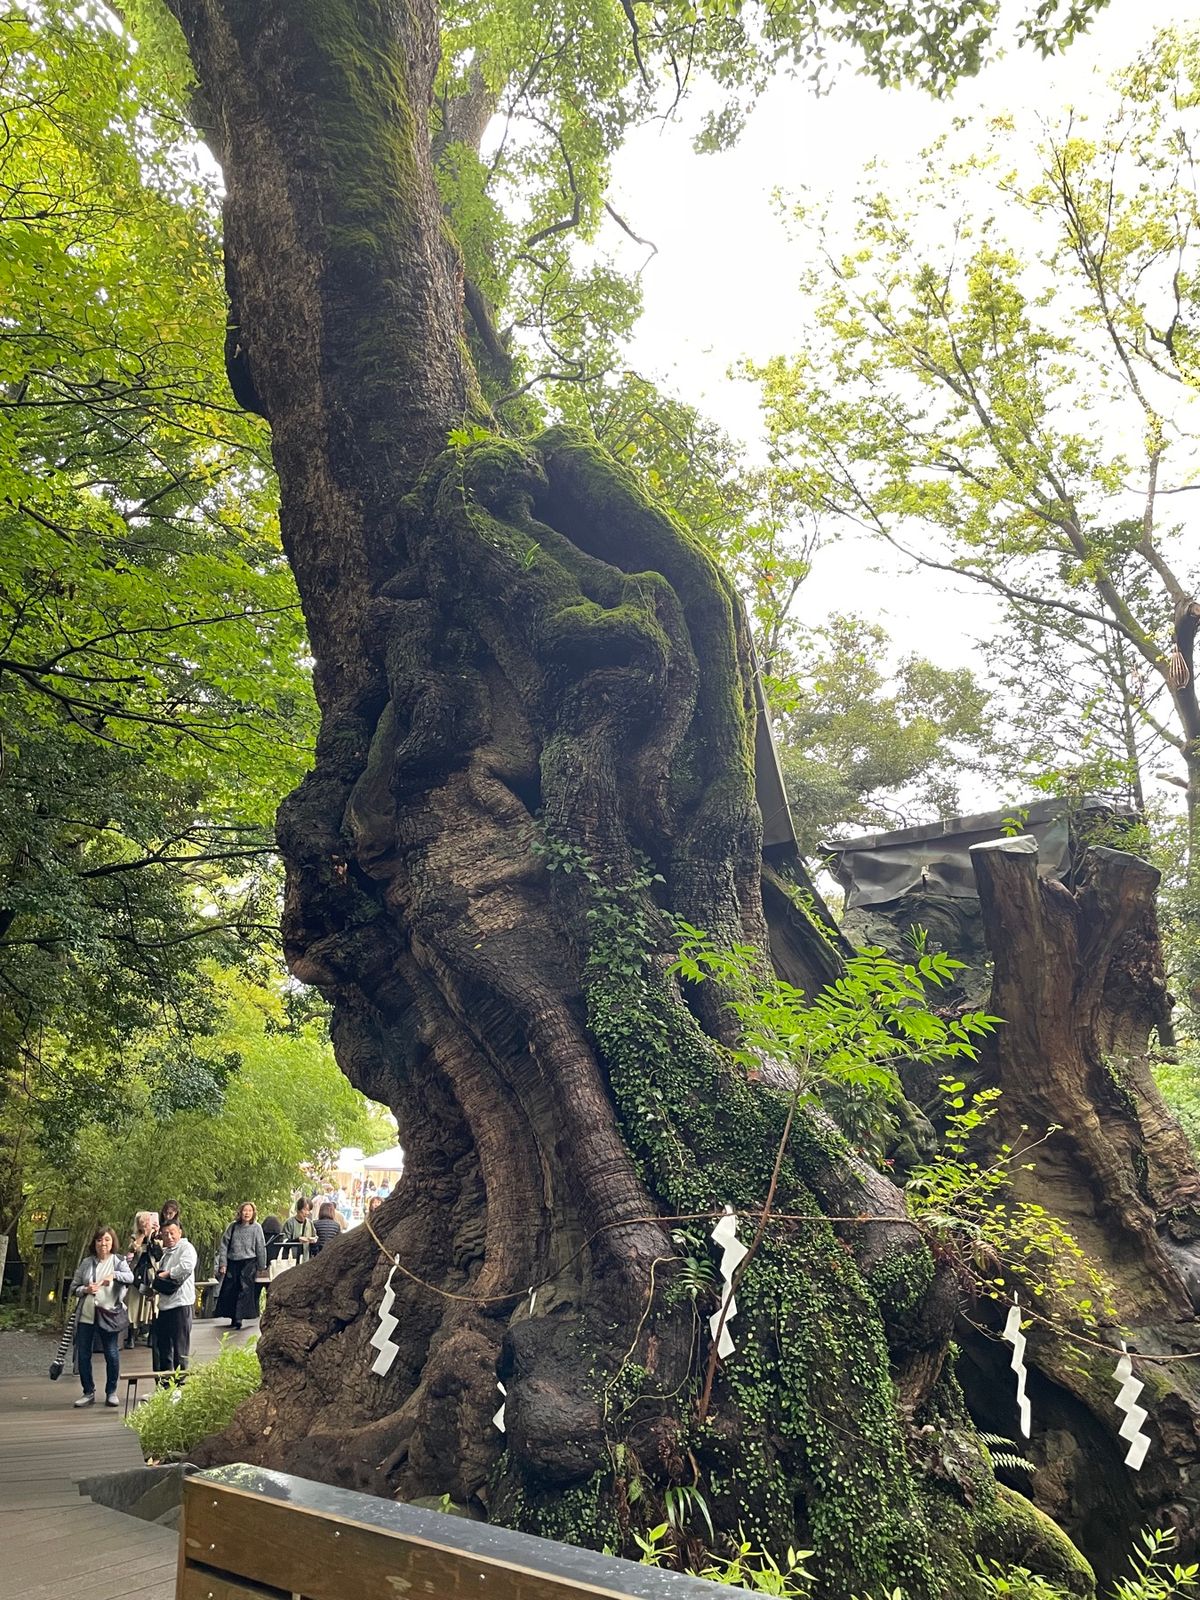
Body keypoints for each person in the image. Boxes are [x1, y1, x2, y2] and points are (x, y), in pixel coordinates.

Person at [69, 1225, 133, 1408]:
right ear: (94, 1243)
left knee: (111, 1353)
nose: (103, 1243)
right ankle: (88, 1392)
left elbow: (130, 1278)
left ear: (112, 1242)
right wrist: (86, 1289)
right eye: (99, 1240)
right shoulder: (86, 1263)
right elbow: (73, 1287)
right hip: (87, 1315)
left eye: (106, 1239)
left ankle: (111, 1392)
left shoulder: (118, 1261)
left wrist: (114, 1276)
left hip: (109, 1315)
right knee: (83, 1355)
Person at [151, 1219, 197, 1380]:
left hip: (181, 1304)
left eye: (172, 1233)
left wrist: (167, 1274)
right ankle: (165, 1381)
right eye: (165, 1234)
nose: (169, 1237)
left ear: (179, 1232)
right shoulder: (166, 1253)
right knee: (163, 1346)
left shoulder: (186, 1248)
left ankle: (179, 1383)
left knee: (180, 1347)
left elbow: (187, 1266)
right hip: (165, 1305)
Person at [215, 1202, 266, 1330]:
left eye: (250, 1211)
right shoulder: (233, 1227)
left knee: (245, 1290)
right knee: (231, 1289)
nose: (247, 1213)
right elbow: (224, 1245)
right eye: (245, 1210)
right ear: (240, 1212)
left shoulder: (257, 1228)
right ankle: (233, 1316)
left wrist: (261, 1265)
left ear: (253, 1213)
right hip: (233, 1261)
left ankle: (239, 1317)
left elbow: (260, 1247)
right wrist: (223, 1263)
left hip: (249, 1262)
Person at [125, 1210, 158, 1349]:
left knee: (151, 1304)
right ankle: (131, 1336)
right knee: (134, 1305)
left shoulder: (157, 1236)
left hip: (151, 1274)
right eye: (142, 1222)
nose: (145, 1224)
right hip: (137, 1275)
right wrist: (142, 1235)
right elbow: (132, 1249)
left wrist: (153, 1236)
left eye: (147, 1221)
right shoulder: (134, 1237)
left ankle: (151, 1335)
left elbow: (159, 1253)